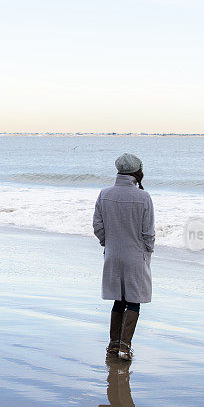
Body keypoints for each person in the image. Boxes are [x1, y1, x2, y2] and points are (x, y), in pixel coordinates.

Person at [92, 153, 155, 360]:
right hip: (135, 255)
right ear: (137, 172)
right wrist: (147, 252)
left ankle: (112, 345)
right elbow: (148, 233)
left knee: (118, 300)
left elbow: (98, 226)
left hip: (112, 253)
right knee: (133, 301)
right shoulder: (143, 197)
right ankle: (125, 347)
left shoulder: (104, 194)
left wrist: (107, 244)